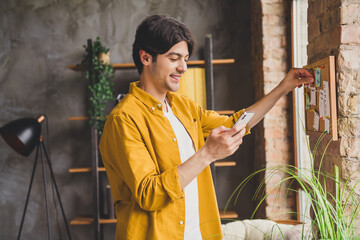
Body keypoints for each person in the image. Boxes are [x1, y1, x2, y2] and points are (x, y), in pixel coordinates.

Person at [99, 15, 314, 240]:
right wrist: (207, 154)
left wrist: (283, 88)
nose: (183, 67)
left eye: (185, 59)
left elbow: (235, 124)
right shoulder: (123, 120)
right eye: (174, 58)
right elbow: (149, 194)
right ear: (145, 57)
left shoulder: (182, 106)